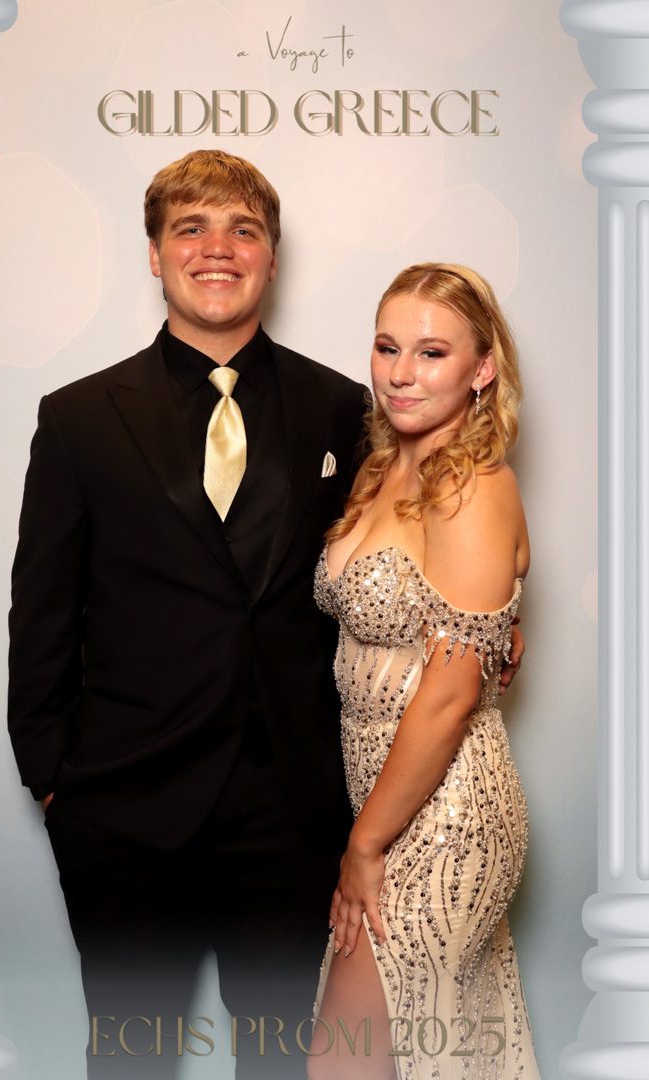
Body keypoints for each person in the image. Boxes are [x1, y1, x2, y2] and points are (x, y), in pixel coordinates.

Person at [7, 151, 523, 1080]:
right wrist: (55, 785)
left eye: (243, 230)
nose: (218, 248)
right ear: (154, 254)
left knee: (286, 1060)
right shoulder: (77, 419)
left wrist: (495, 626)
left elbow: (420, 558)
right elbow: (41, 612)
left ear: (272, 258)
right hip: (123, 815)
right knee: (129, 1060)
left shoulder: (345, 409)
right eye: (191, 229)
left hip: (293, 814)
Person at [311, 264, 539, 1079]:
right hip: (386, 801)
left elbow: (450, 695)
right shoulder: (384, 470)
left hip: (445, 817)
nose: (401, 373)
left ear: (482, 369)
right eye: (387, 348)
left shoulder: (472, 486)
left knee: (348, 1064)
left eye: (432, 352)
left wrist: (364, 845)